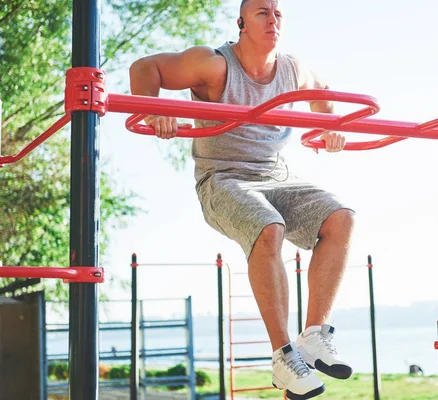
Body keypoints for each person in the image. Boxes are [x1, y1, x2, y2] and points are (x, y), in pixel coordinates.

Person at [129, 1, 354, 398]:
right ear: (242, 24)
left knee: (341, 218)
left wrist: (328, 128)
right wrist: (151, 111)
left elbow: (323, 92)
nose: (273, 19)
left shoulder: (292, 70)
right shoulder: (215, 66)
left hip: (277, 177)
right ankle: (284, 357)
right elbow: (145, 68)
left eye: (278, 13)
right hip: (223, 180)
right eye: (262, 13)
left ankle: (314, 337)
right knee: (269, 228)